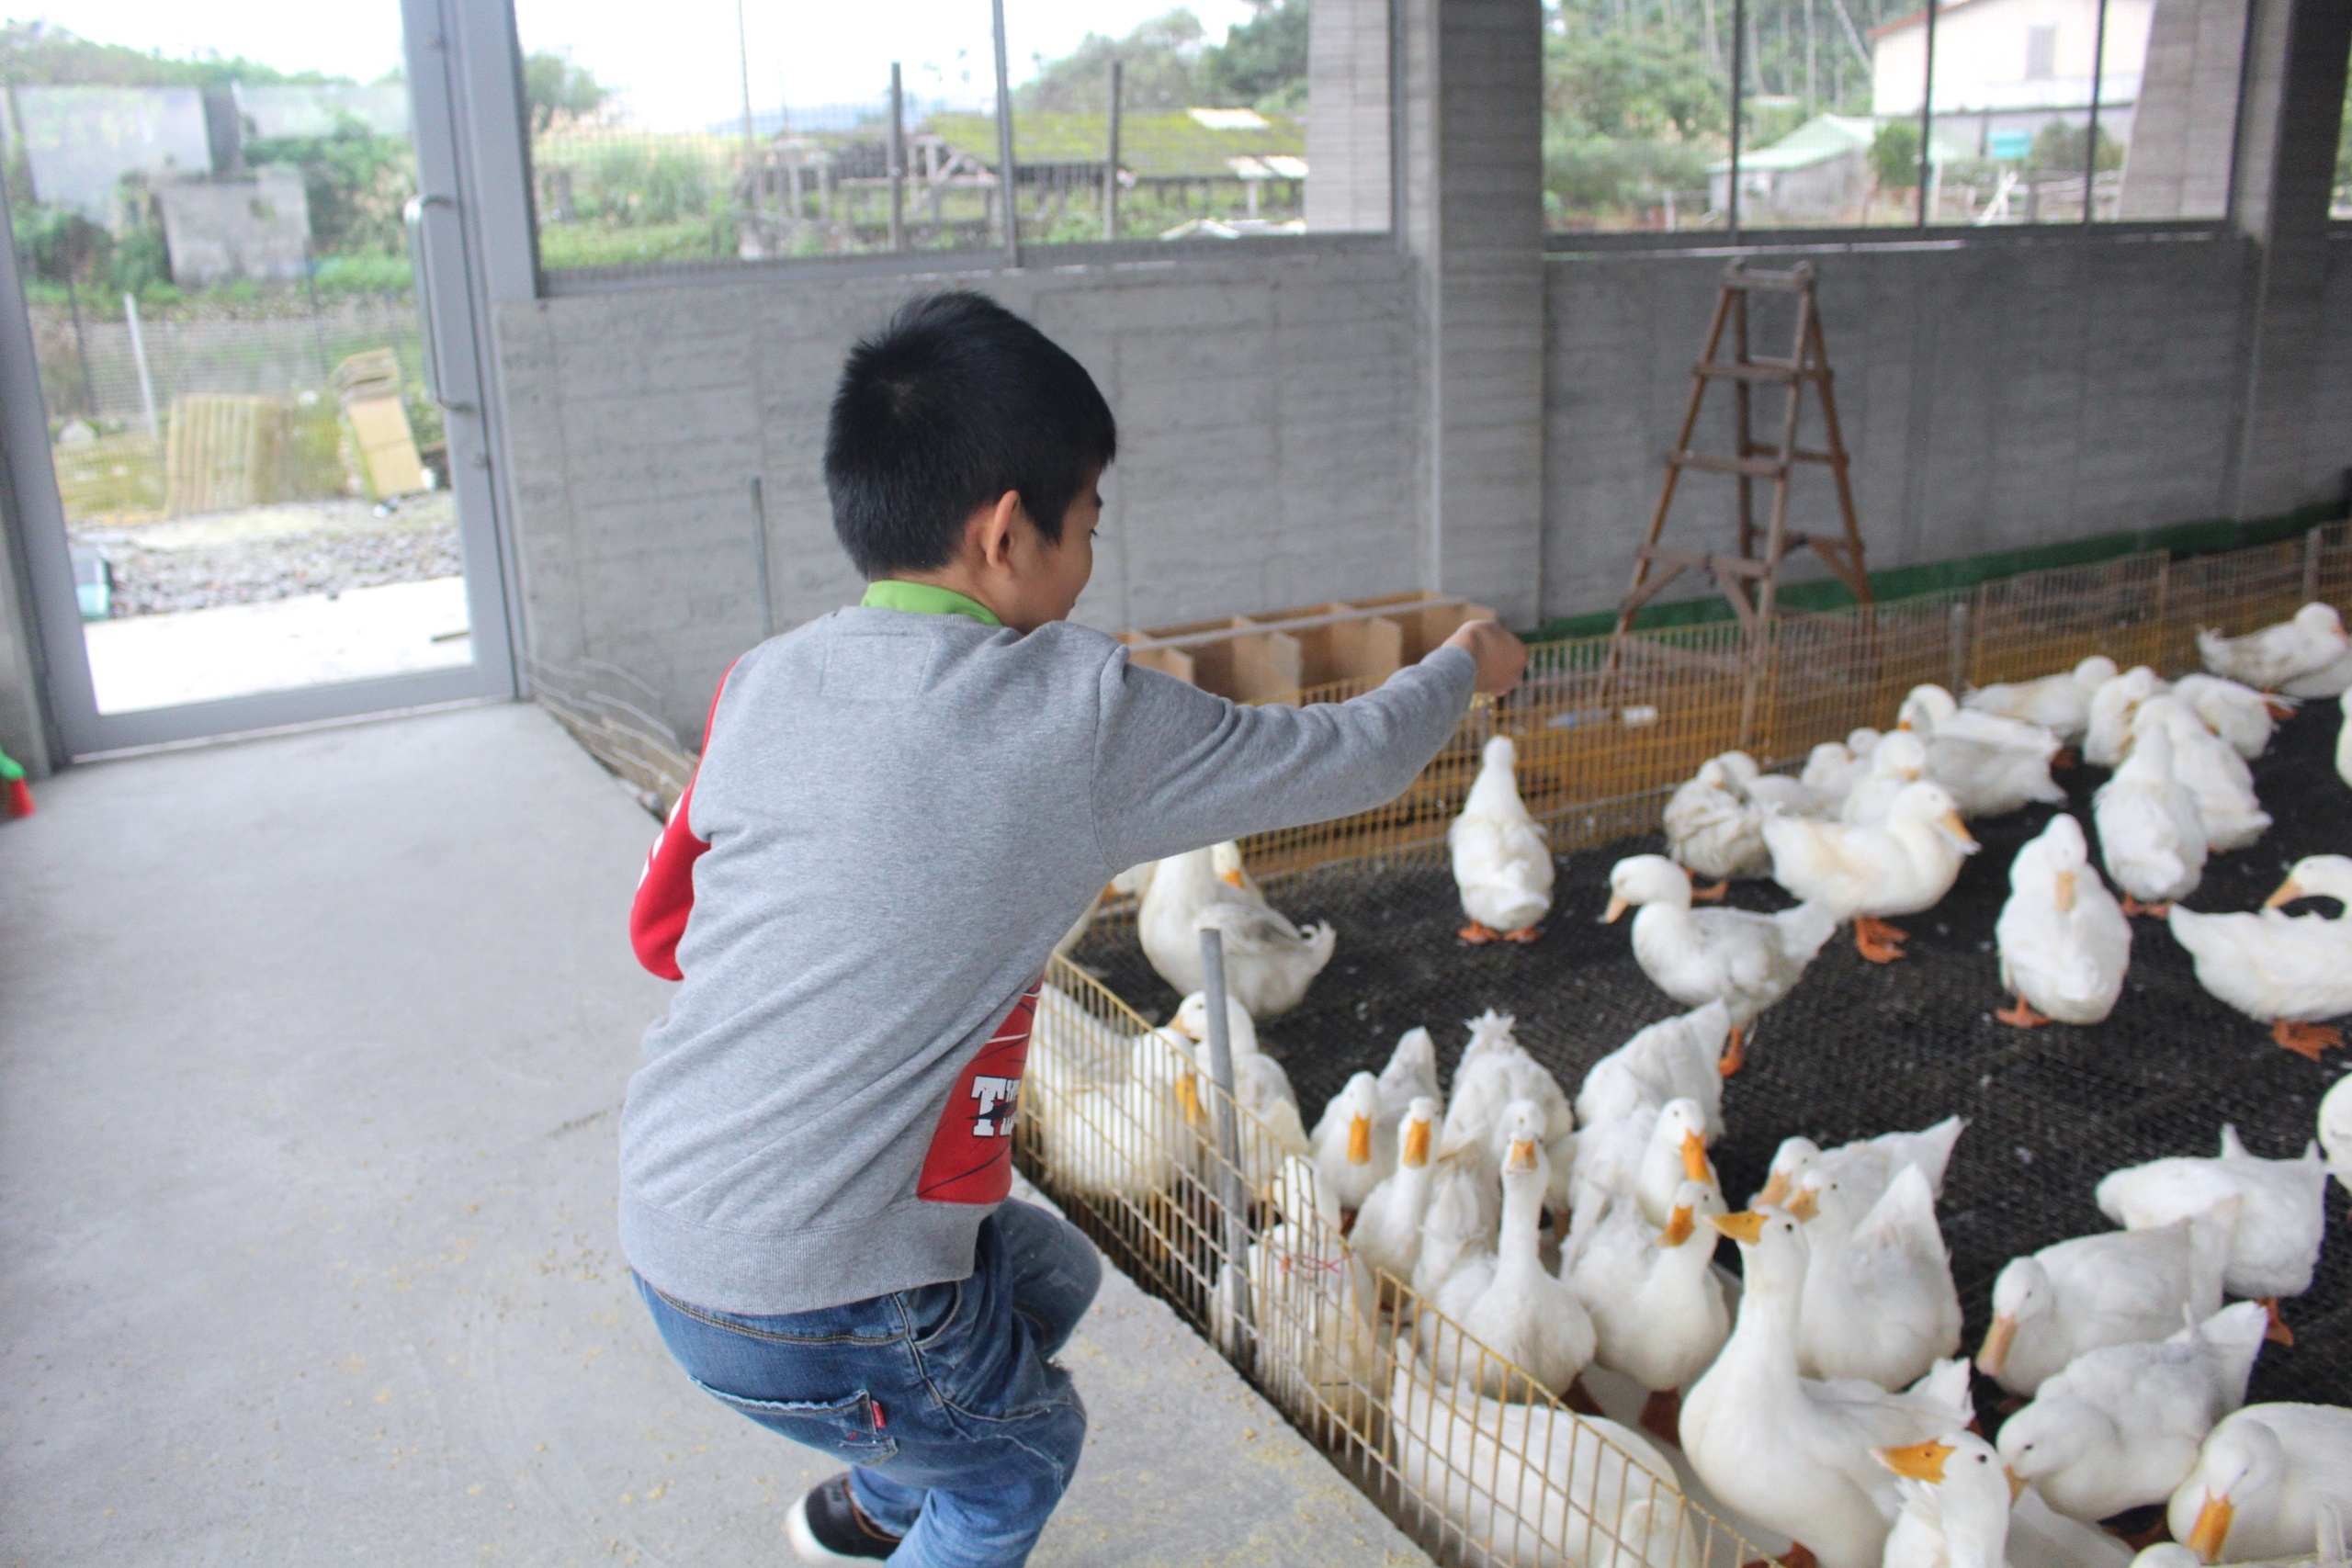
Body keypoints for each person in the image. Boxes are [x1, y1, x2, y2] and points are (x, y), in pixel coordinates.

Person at [621, 290, 1525, 1565]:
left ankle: (866, 1506)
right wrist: (1462, 664)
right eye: (1088, 526)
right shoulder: (1074, 714)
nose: (1092, 558)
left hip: (668, 1228)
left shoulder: (764, 679)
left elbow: (662, 936)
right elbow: (1353, 753)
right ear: (1006, 534)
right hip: (819, 1298)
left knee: (1047, 1277)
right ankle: (920, 1498)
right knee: (1021, 1457)